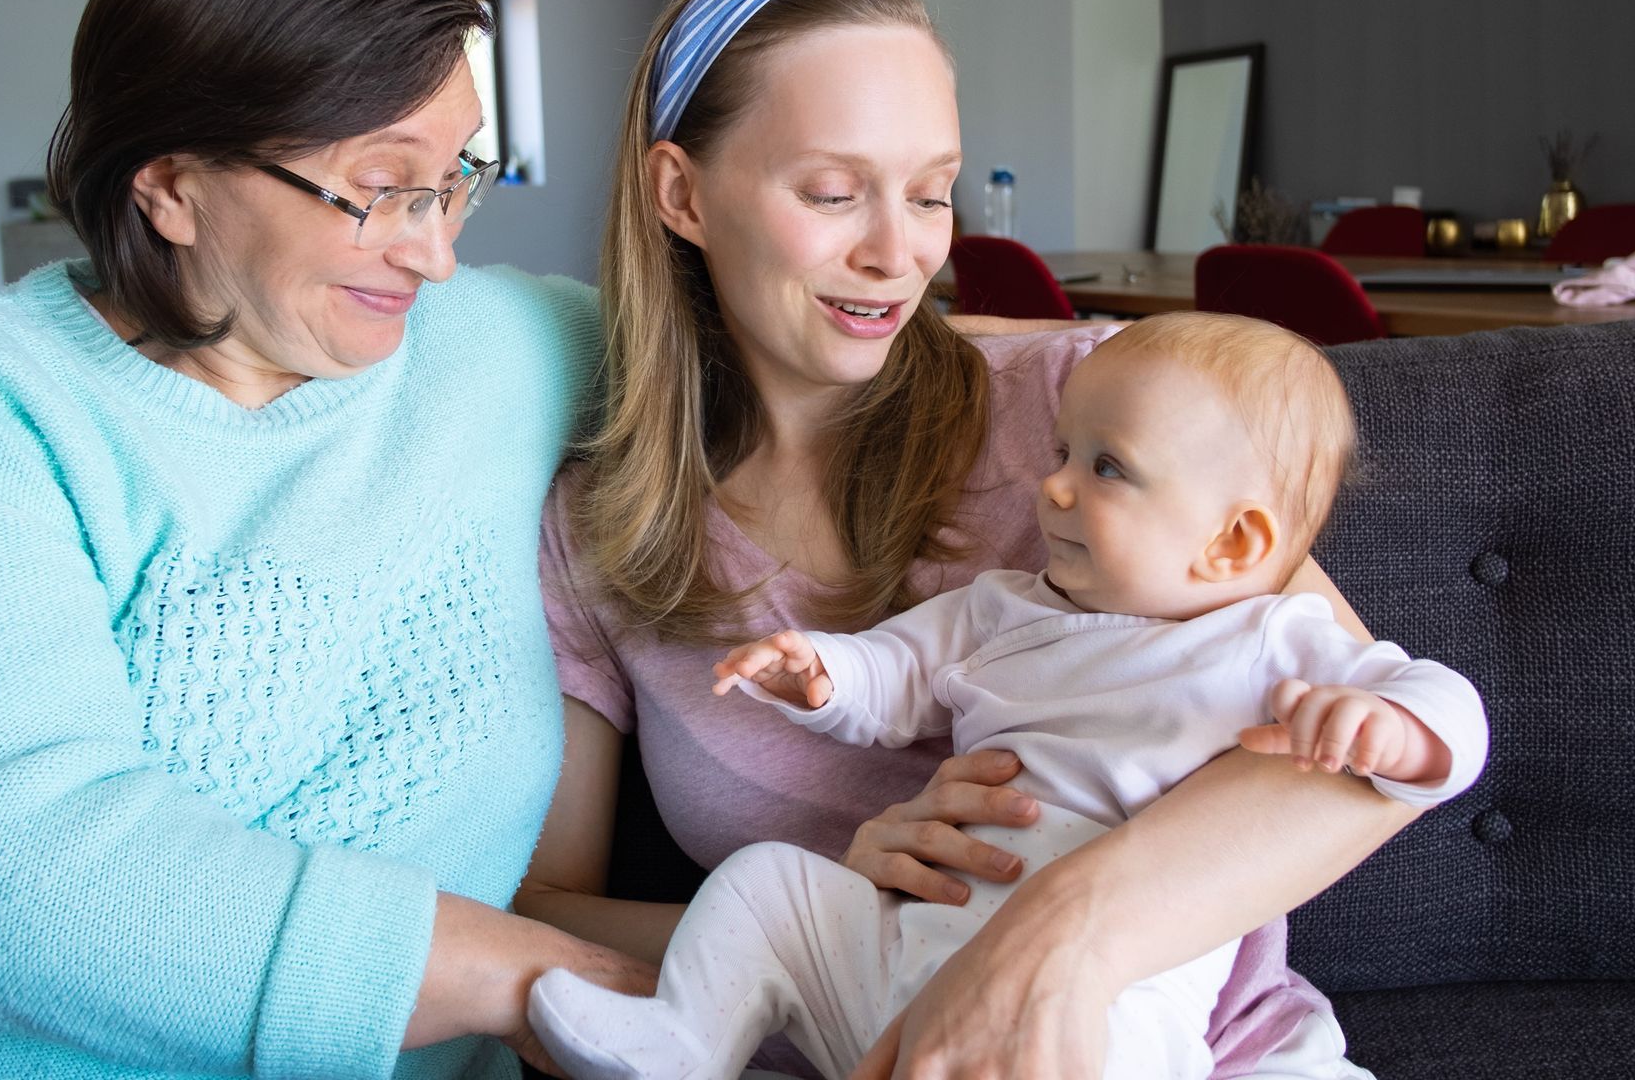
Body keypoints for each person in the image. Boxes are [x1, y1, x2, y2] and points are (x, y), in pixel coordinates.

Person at [0, 0, 653, 1080]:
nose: (436, 247)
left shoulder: (498, 347)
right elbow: (1, 874)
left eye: (457, 175)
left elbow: (766, 353)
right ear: (170, 185)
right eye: (378, 186)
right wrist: (547, 980)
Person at [512, 0, 1433, 1080]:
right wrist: (849, 901)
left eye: (933, 193)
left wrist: (1052, 941)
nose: (901, 254)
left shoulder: (1096, 409)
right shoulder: (598, 527)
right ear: (681, 193)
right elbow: (549, 906)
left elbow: (1361, 761)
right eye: (835, 191)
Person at [524, 312, 1489, 1080]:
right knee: (768, 886)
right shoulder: (1005, 610)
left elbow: (1446, 704)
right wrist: (821, 676)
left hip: (1119, 989)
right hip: (911, 949)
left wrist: (1395, 727)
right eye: (1063, 453)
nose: (1053, 488)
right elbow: (895, 670)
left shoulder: (1269, 639)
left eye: (1105, 469)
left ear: (1232, 545)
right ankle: (687, 1044)